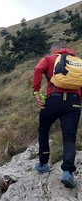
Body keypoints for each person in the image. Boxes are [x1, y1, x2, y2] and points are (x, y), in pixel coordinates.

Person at [33, 40, 81, 188]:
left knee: (44, 129)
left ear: (54, 49)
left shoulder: (49, 58)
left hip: (53, 99)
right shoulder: (78, 62)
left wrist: (36, 92)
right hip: (74, 102)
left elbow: (37, 70)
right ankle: (67, 172)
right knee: (69, 137)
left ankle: (43, 163)